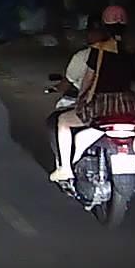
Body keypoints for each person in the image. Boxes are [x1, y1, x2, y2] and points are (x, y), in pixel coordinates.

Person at [49, 5, 135, 182]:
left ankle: (65, 168)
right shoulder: (131, 51)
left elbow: (88, 79)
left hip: (102, 106)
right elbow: (134, 78)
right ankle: (134, 162)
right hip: (127, 104)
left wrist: (82, 99)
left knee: (63, 121)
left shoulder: (98, 50)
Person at [46, 20, 109, 167]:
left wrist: (81, 99)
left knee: (60, 121)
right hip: (123, 108)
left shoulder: (86, 56)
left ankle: (65, 167)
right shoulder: (123, 54)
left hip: (99, 106)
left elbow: (81, 85)